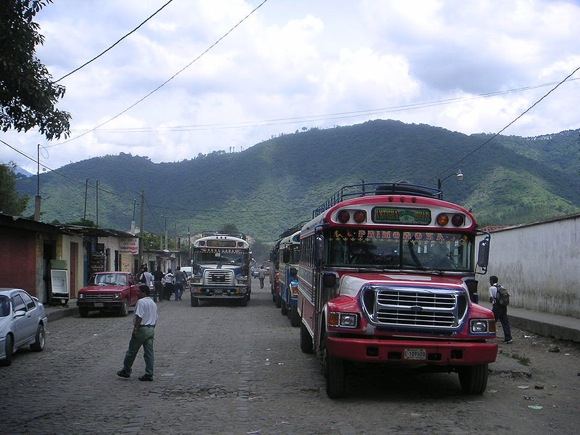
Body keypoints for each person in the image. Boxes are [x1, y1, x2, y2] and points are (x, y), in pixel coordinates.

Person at [117, 284, 158, 381]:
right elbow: (156, 318)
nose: (137, 293)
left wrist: (135, 329)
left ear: (144, 292)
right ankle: (149, 373)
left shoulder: (141, 302)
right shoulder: (153, 303)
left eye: (139, 291)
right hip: (151, 329)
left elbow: (139, 316)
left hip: (142, 329)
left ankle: (126, 370)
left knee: (132, 351)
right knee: (149, 353)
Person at [489, 275, 513, 343]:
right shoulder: (502, 287)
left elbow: (491, 299)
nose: (489, 282)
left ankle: (488, 335)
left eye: (490, 280)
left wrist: (491, 300)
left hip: (496, 307)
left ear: (492, 281)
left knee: (492, 321)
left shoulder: (491, 288)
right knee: (505, 322)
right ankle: (508, 338)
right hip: (503, 307)